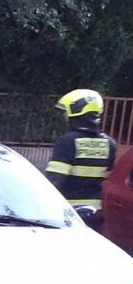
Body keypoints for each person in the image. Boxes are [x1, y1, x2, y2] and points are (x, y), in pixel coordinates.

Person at [46, 89, 116, 226]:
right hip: (95, 213)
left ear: (76, 110)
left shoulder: (68, 141)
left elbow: (55, 181)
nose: (65, 116)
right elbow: (106, 180)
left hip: (67, 211)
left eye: (66, 112)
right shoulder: (110, 144)